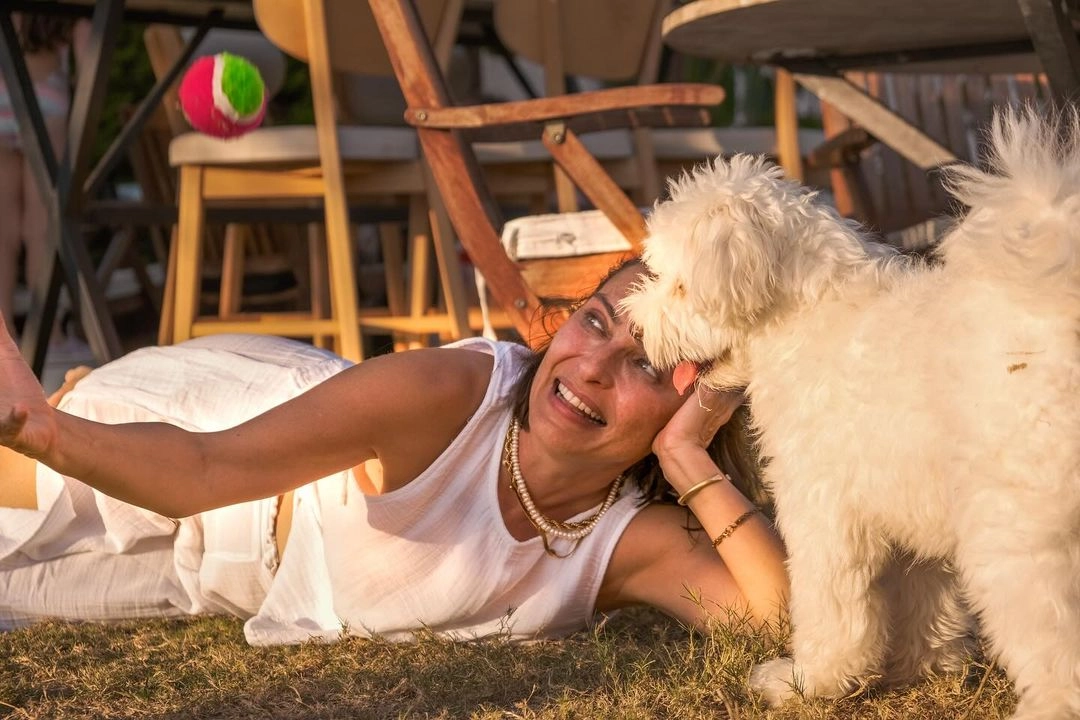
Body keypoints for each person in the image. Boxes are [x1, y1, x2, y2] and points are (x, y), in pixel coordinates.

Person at [0, 259, 788, 644]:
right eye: (594, 321)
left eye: (646, 365)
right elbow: (209, 468)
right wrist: (54, 436)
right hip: (213, 435)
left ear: (697, 403)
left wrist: (688, 456)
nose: (590, 367)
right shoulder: (451, 393)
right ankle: (76, 403)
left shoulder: (625, 537)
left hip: (223, 580)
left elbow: (782, 620)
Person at [0, 14, 89, 333]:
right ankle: (48, 335)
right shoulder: (64, 14)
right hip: (47, 101)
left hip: (1, 98)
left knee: (2, 229)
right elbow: (90, 60)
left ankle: (3, 336)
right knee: (42, 228)